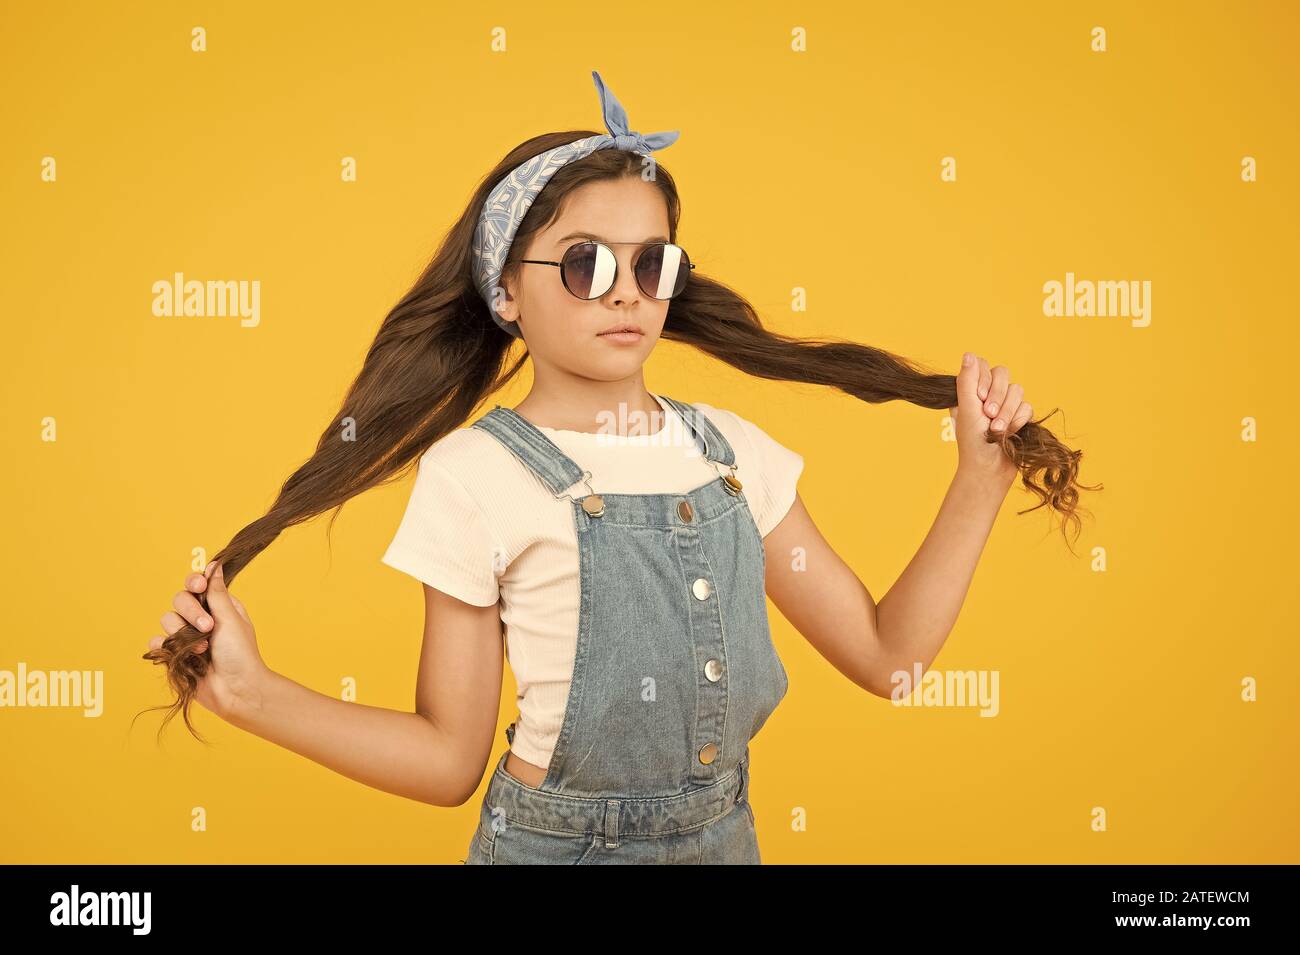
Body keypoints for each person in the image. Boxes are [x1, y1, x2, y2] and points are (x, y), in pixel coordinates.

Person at [141, 70, 1094, 864]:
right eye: (584, 263)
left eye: (651, 265)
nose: (625, 293)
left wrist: (979, 478)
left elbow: (891, 662)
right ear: (506, 290)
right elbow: (447, 760)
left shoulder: (731, 456)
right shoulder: (475, 474)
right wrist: (256, 693)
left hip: (727, 842)